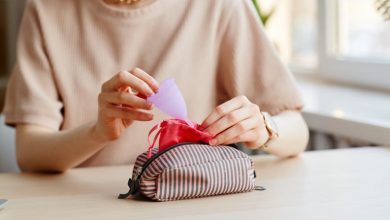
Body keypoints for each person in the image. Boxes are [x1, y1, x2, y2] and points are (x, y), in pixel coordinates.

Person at [3, 0, 309, 172]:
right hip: (86, 207)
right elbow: (30, 152)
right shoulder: (45, 10)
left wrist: (264, 127)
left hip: (191, 203)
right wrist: (98, 133)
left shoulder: (220, 7)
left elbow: (298, 131)